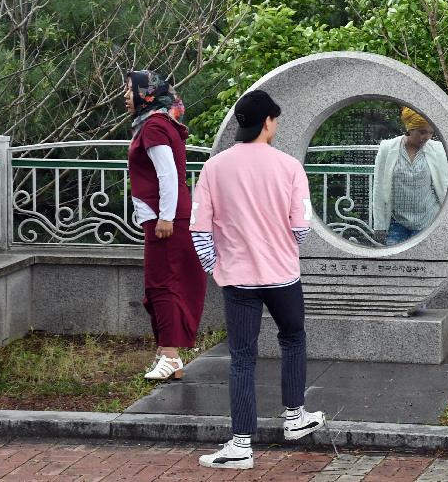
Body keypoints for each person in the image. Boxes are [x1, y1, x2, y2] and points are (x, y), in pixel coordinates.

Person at [189, 90, 326, 470]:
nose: (276, 126)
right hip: (283, 274)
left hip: (237, 278)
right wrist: (283, 245)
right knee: (293, 338)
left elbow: (198, 229)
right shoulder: (288, 166)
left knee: (242, 358)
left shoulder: (215, 168)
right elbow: (301, 226)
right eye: (275, 120)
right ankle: (295, 417)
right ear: (266, 122)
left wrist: (216, 268)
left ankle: (241, 445)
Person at [125, 70, 206, 381]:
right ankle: (165, 352)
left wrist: (166, 217)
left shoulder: (155, 125)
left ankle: (170, 355)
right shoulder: (157, 123)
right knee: (159, 283)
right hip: (163, 216)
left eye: (129, 89)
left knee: (165, 283)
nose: (124, 95)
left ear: (146, 93)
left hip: (167, 218)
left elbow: (168, 175)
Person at [372, 107, 448, 245]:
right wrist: (379, 226)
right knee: (394, 260)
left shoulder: (437, 149)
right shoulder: (387, 148)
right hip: (398, 221)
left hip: (429, 220)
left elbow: (445, 184)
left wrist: (447, 221)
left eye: (431, 133)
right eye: (422, 132)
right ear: (410, 128)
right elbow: (378, 187)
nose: (427, 137)